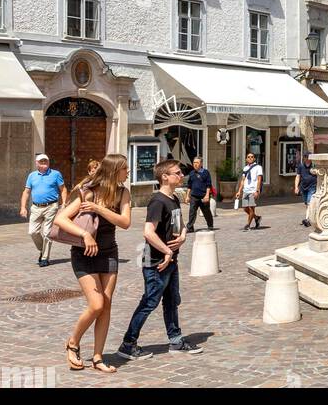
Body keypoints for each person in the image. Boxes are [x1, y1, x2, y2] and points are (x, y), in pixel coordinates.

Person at [54, 153, 132, 373]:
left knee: (106, 305)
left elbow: (125, 222)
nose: (128, 172)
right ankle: (73, 342)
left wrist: (99, 209)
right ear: (114, 170)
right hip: (84, 254)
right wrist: (85, 234)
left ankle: (97, 358)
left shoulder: (122, 192)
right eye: (125, 169)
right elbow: (60, 219)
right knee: (96, 304)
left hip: (108, 252)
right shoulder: (86, 191)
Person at [117, 158, 199, 359]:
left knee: (172, 301)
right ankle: (128, 343)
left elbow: (179, 226)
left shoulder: (174, 199)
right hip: (155, 261)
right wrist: (167, 251)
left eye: (181, 173)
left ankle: (176, 340)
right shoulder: (157, 201)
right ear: (165, 177)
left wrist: (182, 236)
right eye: (177, 173)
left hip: (170, 261)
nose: (181, 176)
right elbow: (148, 232)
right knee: (150, 301)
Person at [19, 153, 66, 267]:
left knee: (47, 233)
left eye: (45, 161)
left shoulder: (56, 174)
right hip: (36, 207)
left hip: (51, 206)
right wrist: (23, 207)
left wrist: (64, 203)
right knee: (32, 232)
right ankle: (42, 249)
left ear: (48, 162)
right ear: (37, 163)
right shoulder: (32, 176)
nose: (44, 163)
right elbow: (26, 192)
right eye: (41, 162)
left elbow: (63, 189)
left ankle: (44, 258)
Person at [185, 157, 215, 233]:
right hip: (194, 196)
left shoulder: (206, 172)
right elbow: (189, 186)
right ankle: (190, 227)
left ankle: (210, 225)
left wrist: (207, 195)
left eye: (197, 163)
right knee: (192, 212)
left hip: (203, 195)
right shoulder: (191, 173)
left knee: (206, 212)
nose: (195, 164)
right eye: (194, 162)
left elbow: (209, 185)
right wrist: (187, 196)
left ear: (201, 164)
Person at [240, 151, 263, 231]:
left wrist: (257, 190)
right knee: (245, 208)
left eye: (252, 157)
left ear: (254, 158)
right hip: (246, 190)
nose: (250, 158)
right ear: (246, 159)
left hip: (253, 190)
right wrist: (239, 191)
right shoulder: (245, 168)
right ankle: (257, 218)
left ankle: (248, 225)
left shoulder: (258, 167)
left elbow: (259, 179)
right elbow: (243, 180)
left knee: (251, 208)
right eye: (248, 157)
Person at [295, 153, 318, 227]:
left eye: (307, 157)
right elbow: (298, 176)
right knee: (307, 204)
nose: (306, 158)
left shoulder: (314, 166)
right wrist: (296, 187)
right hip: (304, 187)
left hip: (312, 186)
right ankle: (311, 216)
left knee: (309, 203)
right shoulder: (301, 166)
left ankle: (307, 219)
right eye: (305, 157)